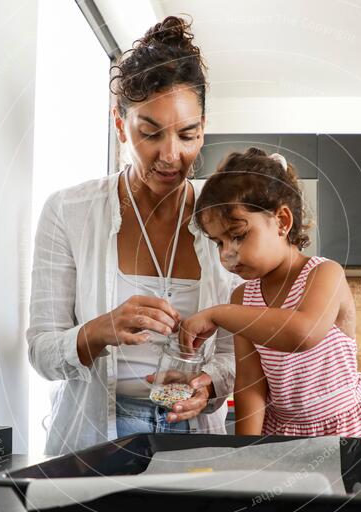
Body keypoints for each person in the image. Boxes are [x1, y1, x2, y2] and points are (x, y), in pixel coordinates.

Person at [27, 16, 238, 455]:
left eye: (188, 134)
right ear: (121, 125)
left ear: (204, 128)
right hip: (90, 441)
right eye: (150, 133)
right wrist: (102, 329)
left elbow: (240, 350)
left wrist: (209, 385)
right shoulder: (68, 211)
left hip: (194, 438)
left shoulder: (227, 215)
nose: (171, 155)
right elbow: (43, 353)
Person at [178, 148, 361, 461]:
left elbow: (302, 333)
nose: (226, 255)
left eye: (237, 236)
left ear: (282, 221)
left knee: (343, 509)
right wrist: (245, 456)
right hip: (281, 435)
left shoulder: (324, 274)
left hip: (343, 431)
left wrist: (219, 314)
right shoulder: (242, 299)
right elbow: (251, 385)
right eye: (218, 242)